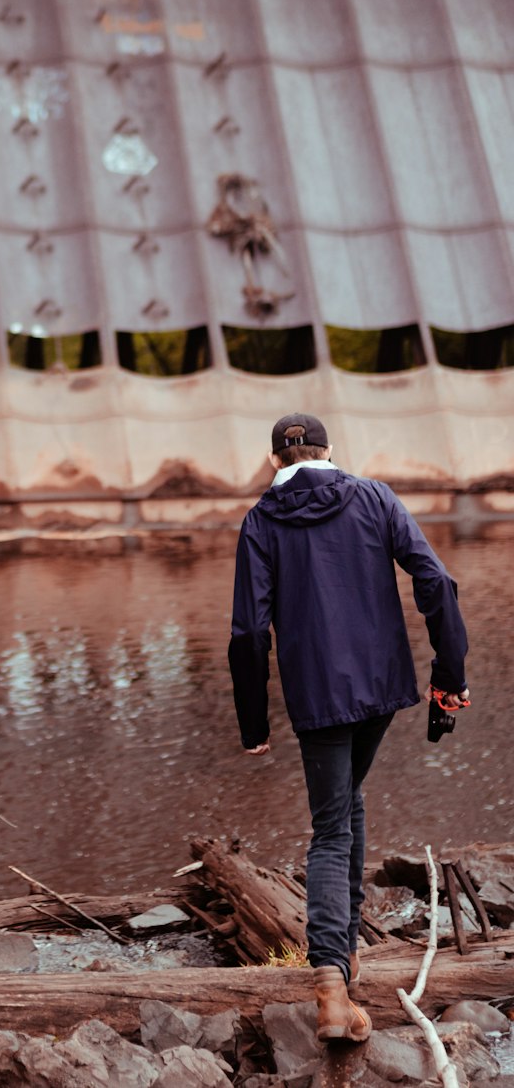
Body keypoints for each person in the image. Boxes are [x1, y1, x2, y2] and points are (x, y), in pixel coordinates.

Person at [229, 413, 469, 1044]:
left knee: (331, 825)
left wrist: (254, 722)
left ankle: (331, 984)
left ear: (275, 462)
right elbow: (435, 581)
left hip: (316, 694)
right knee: (346, 803)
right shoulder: (374, 497)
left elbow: (250, 632)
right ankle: (349, 946)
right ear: (329, 451)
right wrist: (450, 673)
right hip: (382, 686)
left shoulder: (261, 521)